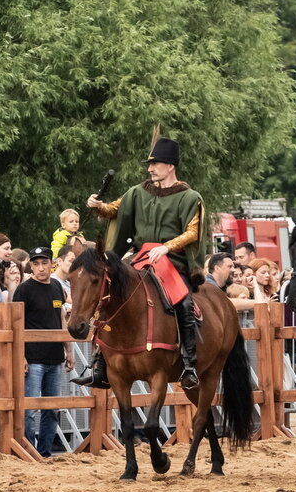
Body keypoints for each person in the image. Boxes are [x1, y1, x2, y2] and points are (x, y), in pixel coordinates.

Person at [76, 137, 207, 389]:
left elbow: (193, 231)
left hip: (172, 260)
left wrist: (166, 247)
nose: (150, 168)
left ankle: (189, 365)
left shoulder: (190, 197)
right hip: (140, 258)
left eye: (155, 163)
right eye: (149, 164)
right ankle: (101, 365)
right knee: (110, 294)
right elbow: (113, 210)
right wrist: (97, 205)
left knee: (183, 301)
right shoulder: (138, 192)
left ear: (170, 165)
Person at [12, 246, 73, 457]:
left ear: (51, 264)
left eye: (44, 263)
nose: (40, 268)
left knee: (52, 408)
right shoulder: (24, 290)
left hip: (55, 357)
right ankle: (29, 451)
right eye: (36, 264)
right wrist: (20, 356)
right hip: (33, 357)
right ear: (30, 266)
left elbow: (62, 319)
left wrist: (69, 349)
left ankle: (44, 451)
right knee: (29, 409)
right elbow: (16, 325)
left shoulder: (57, 287)